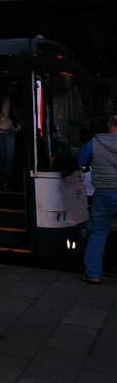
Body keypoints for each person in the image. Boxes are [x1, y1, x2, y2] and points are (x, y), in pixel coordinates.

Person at [79, 115, 117, 284]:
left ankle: (93, 274)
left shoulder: (95, 142)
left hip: (103, 193)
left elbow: (81, 160)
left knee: (98, 233)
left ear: (109, 125)